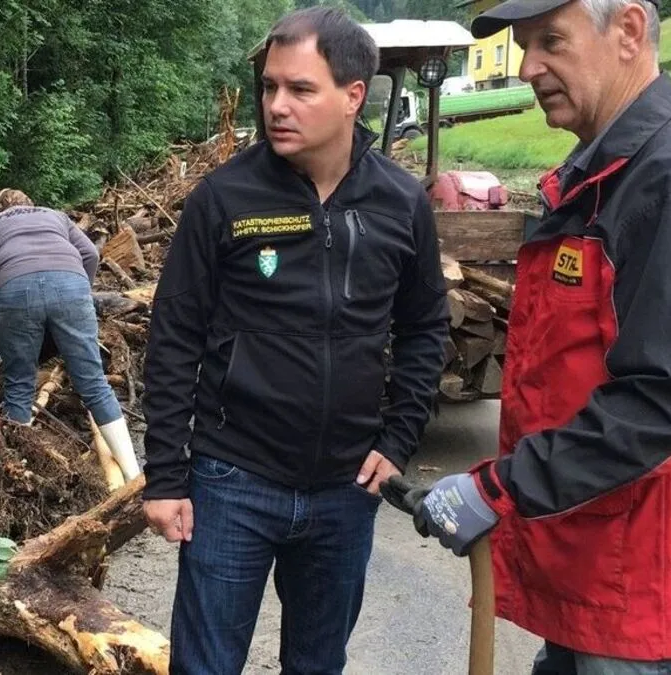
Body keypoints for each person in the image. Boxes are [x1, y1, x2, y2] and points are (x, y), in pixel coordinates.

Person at [406, 1, 671, 673]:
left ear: (626, 31)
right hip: (594, 572)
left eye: (551, 42)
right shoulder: (606, 176)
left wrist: (499, 488)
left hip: (636, 592)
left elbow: (665, 400)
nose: (530, 66)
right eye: (524, 45)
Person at [140, 7, 450, 673]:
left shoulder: (400, 202)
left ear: (352, 96)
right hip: (232, 479)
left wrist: (397, 439)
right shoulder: (223, 199)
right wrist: (166, 474)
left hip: (346, 487)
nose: (277, 105)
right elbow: (173, 337)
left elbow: (425, 326)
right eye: (270, 87)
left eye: (301, 89)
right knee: (205, 665)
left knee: (317, 664)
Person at [0, 188, 140, 480]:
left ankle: (19, 474)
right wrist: (77, 291)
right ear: (32, 204)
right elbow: (89, 253)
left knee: (19, 386)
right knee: (95, 385)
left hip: (15, 291)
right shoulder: (54, 216)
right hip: (71, 286)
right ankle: (135, 476)